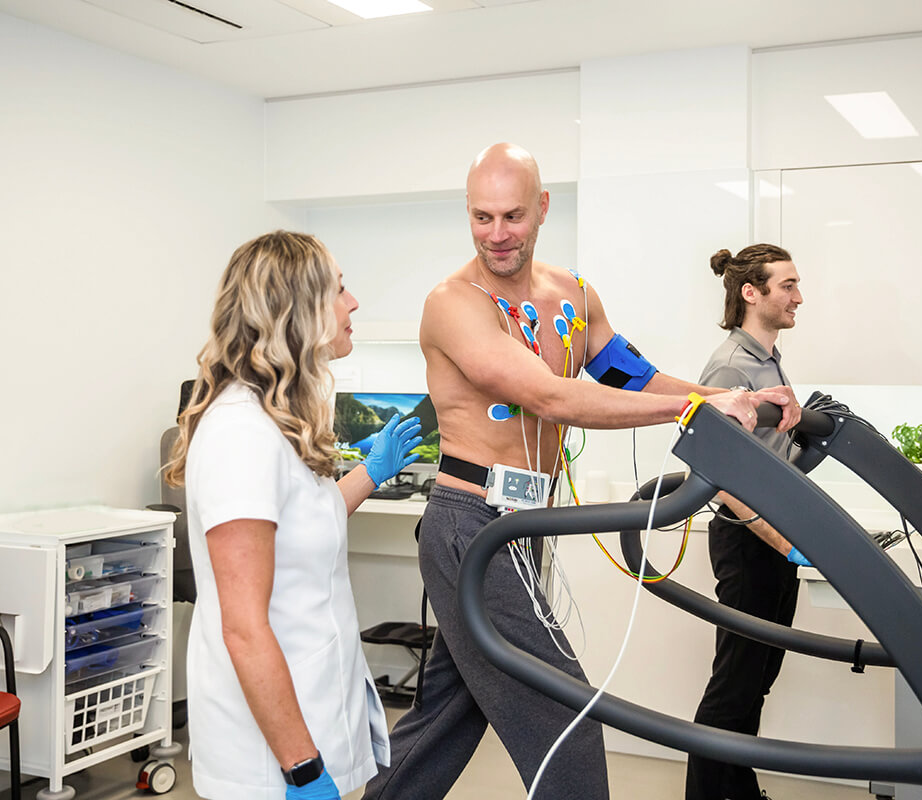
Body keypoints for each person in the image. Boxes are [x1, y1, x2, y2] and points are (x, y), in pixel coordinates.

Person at [363, 144, 800, 800]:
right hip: (469, 525)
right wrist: (699, 405)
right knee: (567, 720)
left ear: (542, 208)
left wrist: (742, 403)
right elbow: (550, 396)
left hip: (524, 525)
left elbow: (632, 375)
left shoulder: (574, 295)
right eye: (481, 218)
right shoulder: (453, 303)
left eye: (512, 215)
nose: (497, 234)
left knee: (448, 716)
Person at [164, 231, 425, 800]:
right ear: (298, 311)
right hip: (270, 760)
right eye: (339, 289)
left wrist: (371, 473)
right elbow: (243, 625)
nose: (353, 303)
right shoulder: (240, 433)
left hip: (308, 713)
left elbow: (310, 523)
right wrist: (302, 769)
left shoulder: (276, 420)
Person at [686, 244, 807, 800]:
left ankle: (738, 789)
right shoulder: (732, 366)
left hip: (777, 539)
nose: (798, 297)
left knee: (756, 681)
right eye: (787, 286)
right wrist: (783, 542)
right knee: (735, 685)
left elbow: (766, 455)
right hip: (751, 541)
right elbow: (726, 476)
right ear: (750, 293)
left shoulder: (767, 360)